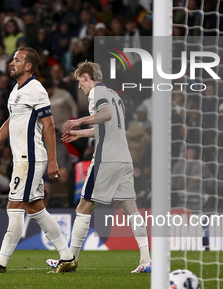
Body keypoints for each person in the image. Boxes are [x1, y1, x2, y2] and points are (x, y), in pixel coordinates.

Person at [0, 47, 77, 274]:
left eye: (17, 60)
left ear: (28, 66)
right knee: (35, 208)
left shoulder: (36, 89)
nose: (12, 63)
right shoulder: (16, 90)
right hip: (23, 159)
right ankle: (67, 257)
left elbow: (49, 125)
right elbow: (12, 121)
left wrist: (53, 161)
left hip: (30, 158)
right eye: (12, 59)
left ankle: (0, 262)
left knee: (14, 206)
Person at [47, 61, 152, 273]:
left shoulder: (97, 93)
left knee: (84, 207)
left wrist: (78, 122)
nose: (79, 87)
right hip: (123, 159)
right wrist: (80, 133)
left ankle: (69, 260)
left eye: (79, 81)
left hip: (106, 160)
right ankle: (146, 259)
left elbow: (105, 115)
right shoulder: (115, 96)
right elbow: (105, 128)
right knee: (130, 208)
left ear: (87, 77)